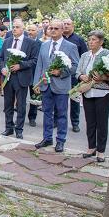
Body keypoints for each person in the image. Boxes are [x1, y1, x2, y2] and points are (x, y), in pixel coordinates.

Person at [33, 20, 79, 152]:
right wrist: (36, 82)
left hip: (61, 86)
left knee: (61, 114)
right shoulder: (44, 45)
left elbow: (75, 66)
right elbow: (40, 65)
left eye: (56, 28)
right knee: (47, 113)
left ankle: (60, 140)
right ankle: (47, 138)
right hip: (46, 85)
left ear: (62, 30)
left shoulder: (70, 46)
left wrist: (62, 72)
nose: (53, 30)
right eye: (51, 28)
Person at [76, 31, 109, 162]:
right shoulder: (85, 55)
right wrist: (82, 76)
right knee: (90, 121)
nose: (90, 42)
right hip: (88, 92)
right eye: (89, 39)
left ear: (101, 42)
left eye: (94, 40)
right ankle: (91, 147)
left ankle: (101, 151)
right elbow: (78, 72)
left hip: (102, 93)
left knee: (102, 122)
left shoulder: (108, 54)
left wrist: (103, 77)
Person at [0, 19, 39, 139]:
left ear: (22, 29)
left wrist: (20, 66)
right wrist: (2, 68)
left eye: (17, 27)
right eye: (13, 27)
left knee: (21, 105)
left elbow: (34, 60)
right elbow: (0, 58)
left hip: (22, 77)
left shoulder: (30, 43)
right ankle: (8, 128)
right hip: (8, 78)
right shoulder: (7, 41)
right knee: (8, 104)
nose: (14, 29)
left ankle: (19, 129)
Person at [62, 18, 88, 133]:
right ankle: (58, 121)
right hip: (60, 75)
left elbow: (84, 56)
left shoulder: (79, 40)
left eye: (68, 24)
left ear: (73, 26)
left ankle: (75, 122)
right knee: (60, 99)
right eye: (64, 24)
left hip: (73, 75)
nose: (66, 26)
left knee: (75, 100)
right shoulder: (59, 39)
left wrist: (82, 73)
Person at [26, 24, 43, 126]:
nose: (30, 32)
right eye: (29, 30)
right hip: (23, 73)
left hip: (35, 74)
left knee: (34, 96)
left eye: (33, 30)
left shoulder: (41, 44)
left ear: (37, 32)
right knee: (21, 96)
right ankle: (20, 116)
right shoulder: (24, 41)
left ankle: (32, 117)